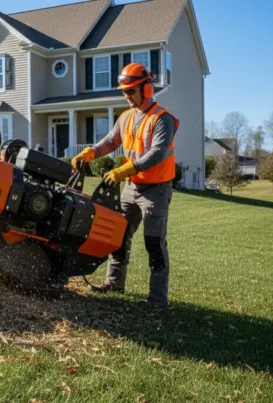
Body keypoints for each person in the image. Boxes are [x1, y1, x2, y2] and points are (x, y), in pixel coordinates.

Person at [72, 63, 179, 308]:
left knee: (154, 243)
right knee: (118, 235)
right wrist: (89, 153)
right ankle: (114, 283)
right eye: (124, 91)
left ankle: (157, 300)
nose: (127, 95)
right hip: (131, 187)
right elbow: (110, 142)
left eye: (131, 90)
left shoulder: (163, 119)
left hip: (156, 189)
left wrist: (123, 170)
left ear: (148, 89)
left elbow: (157, 153)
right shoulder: (126, 117)